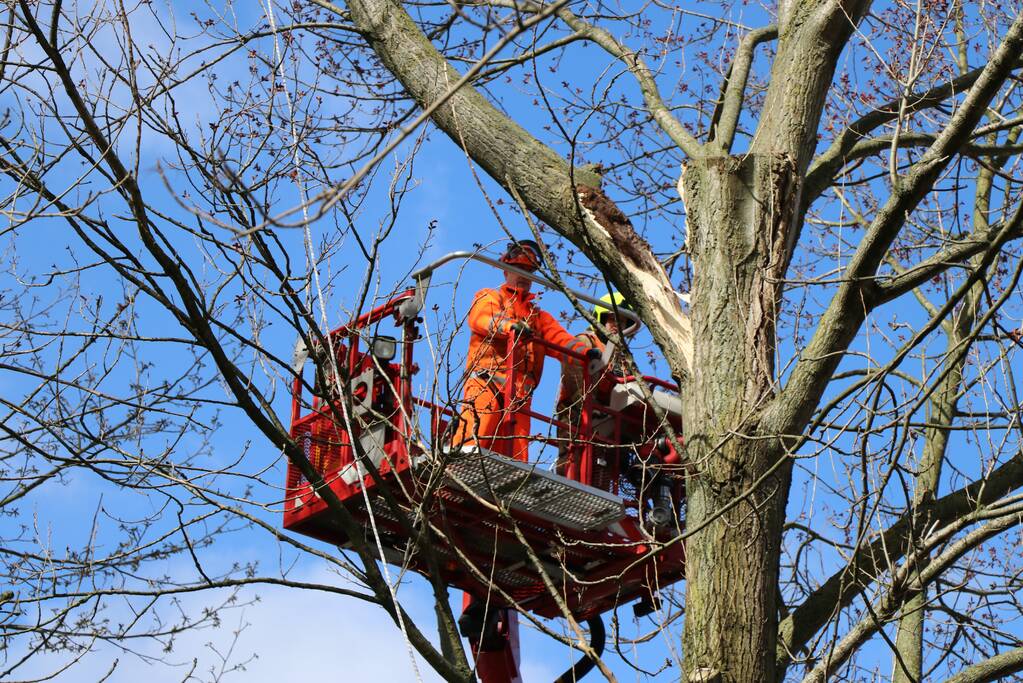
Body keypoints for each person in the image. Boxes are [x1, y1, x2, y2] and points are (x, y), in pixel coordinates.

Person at [449, 239, 594, 462]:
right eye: (518, 269)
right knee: (473, 443)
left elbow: (561, 339)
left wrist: (586, 353)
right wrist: (509, 327)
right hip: (486, 386)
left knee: (516, 458)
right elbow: (481, 319)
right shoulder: (490, 297)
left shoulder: (537, 317)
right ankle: (454, 473)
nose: (524, 276)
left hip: (520, 398)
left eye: (529, 270)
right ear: (505, 270)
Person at [554, 292, 631, 474]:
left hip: (609, 424)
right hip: (577, 419)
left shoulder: (623, 357)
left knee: (601, 475)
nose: (617, 325)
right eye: (612, 318)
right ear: (601, 317)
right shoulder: (585, 342)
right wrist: (590, 406)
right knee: (574, 469)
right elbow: (574, 377)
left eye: (623, 321)